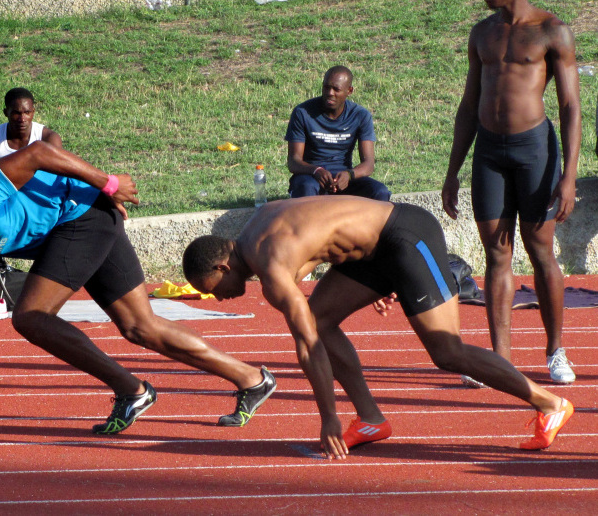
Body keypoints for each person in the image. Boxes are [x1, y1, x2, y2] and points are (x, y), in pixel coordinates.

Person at [0, 141, 275, 434]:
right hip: (76, 226)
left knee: (31, 318)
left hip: (84, 216)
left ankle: (132, 391)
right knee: (141, 326)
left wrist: (109, 184)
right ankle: (252, 379)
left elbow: (39, 152)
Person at [182, 196, 573, 459]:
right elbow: (328, 232)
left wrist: (327, 417)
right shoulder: (253, 231)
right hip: (374, 252)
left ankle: (550, 404)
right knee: (321, 317)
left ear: (221, 267)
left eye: (210, 290)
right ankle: (370, 419)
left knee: (446, 352)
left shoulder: (269, 262)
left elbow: (307, 347)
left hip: (406, 236)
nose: (216, 299)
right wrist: (376, 281)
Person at [442, 0, 581, 385]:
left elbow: (571, 106)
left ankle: (555, 350)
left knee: (540, 251)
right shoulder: (481, 33)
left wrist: (569, 174)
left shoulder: (552, 31)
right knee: (496, 254)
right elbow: (468, 106)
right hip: (489, 152)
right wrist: (452, 170)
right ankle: (499, 359)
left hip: (534, 150)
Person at [0, 87, 62, 320]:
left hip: (39, 206)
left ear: (34, 111)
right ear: (5, 112)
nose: (22, 118)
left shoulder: (48, 138)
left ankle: (44, 289)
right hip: (5, 207)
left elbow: (58, 176)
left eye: (27, 112)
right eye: (16, 113)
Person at [285, 65, 391, 201]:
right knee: (306, 187)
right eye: (326, 87)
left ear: (349, 91)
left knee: (380, 191)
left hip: (343, 177)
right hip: (310, 176)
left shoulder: (360, 115)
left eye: (336, 89)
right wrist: (316, 171)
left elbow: (368, 164)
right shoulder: (303, 112)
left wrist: (349, 174)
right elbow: (294, 162)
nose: (330, 93)